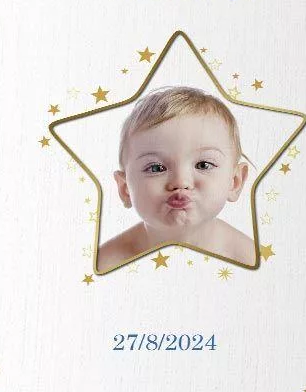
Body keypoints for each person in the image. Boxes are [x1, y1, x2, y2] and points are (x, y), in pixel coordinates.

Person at [98, 86, 255, 273]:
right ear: (125, 189)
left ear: (235, 182)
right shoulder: (106, 264)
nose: (180, 182)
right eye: (156, 168)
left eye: (203, 165)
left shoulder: (250, 258)